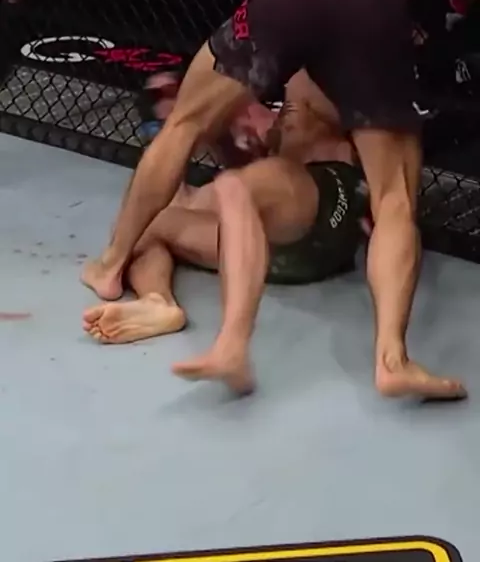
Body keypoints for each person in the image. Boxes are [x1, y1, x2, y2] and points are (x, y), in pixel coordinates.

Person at [83, 0, 478, 400]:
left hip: (324, 201)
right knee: (391, 199)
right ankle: (390, 359)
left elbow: (196, 129)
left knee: (187, 135)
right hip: (286, 219)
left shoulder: (300, 8)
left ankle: (111, 264)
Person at [83, 69, 367, 395]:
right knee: (147, 218)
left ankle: (231, 344)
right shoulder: (264, 85)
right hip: (274, 252)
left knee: (240, 183)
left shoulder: (324, 72)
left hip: (328, 202)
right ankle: (157, 300)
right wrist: (202, 129)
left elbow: (377, 142)